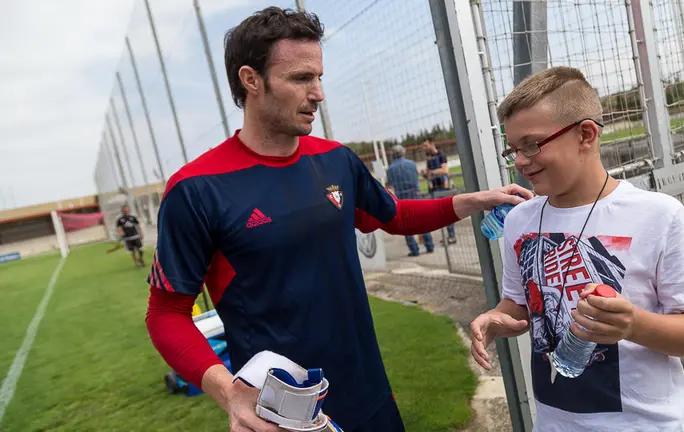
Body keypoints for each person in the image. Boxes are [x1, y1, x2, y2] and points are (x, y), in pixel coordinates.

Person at [144, 7, 533, 432]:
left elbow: (393, 216)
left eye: (319, 78)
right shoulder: (196, 188)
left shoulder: (336, 161)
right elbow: (166, 313)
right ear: (251, 80)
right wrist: (230, 392)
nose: (318, 94)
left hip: (369, 393)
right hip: (282, 414)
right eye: (300, 79)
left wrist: (471, 200)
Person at [469, 66, 684, 431]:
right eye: (513, 149)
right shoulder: (519, 222)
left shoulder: (657, 215)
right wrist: (498, 317)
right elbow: (520, 306)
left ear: (585, 135)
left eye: (531, 144)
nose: (520, 160)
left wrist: (633, 324)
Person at [386, 144, 434, 256]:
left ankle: (414, 249)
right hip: (415, 195)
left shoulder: (390, 169)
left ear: (393, 154)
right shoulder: (411, 164)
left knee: (406, 224)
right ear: (403, 152)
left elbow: (390, 184)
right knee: (422, 221)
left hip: (401, 198)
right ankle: (429, 245)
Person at [422, 137, 456, 244]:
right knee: (440, 214)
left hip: (443, 187)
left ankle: (452, 235)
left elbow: (445, 170)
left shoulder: (441, 155)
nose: (424, 148)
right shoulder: (428, 159)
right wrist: (426, 175)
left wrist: (432, 172)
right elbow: (428, 174)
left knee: (447, 213)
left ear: (432, 144)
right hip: (434, 189)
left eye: (426, 145)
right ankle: (447, 236)